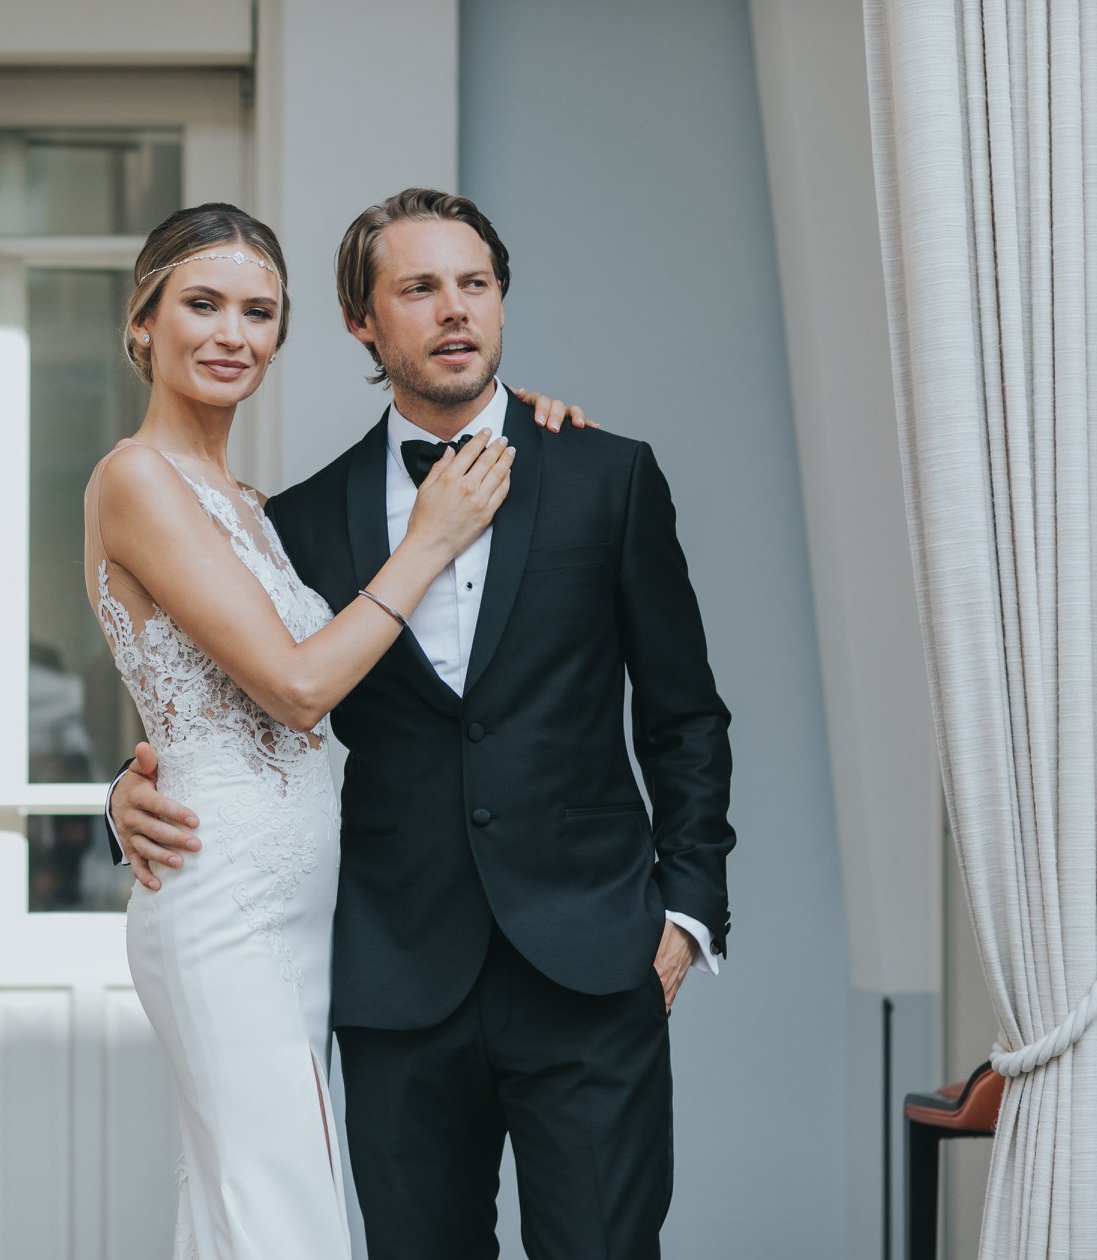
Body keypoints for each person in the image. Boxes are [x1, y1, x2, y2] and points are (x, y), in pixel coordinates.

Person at [108, 188, 735, 1260]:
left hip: (591, 963)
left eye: (475, 284)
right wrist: (129, 791)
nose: (455, 309)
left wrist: (687, 914)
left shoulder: (605, 475)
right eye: (420, 288)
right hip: (394, 978)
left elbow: (685, 715)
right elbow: (237, 693)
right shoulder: (296, 521)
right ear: (362, 321)